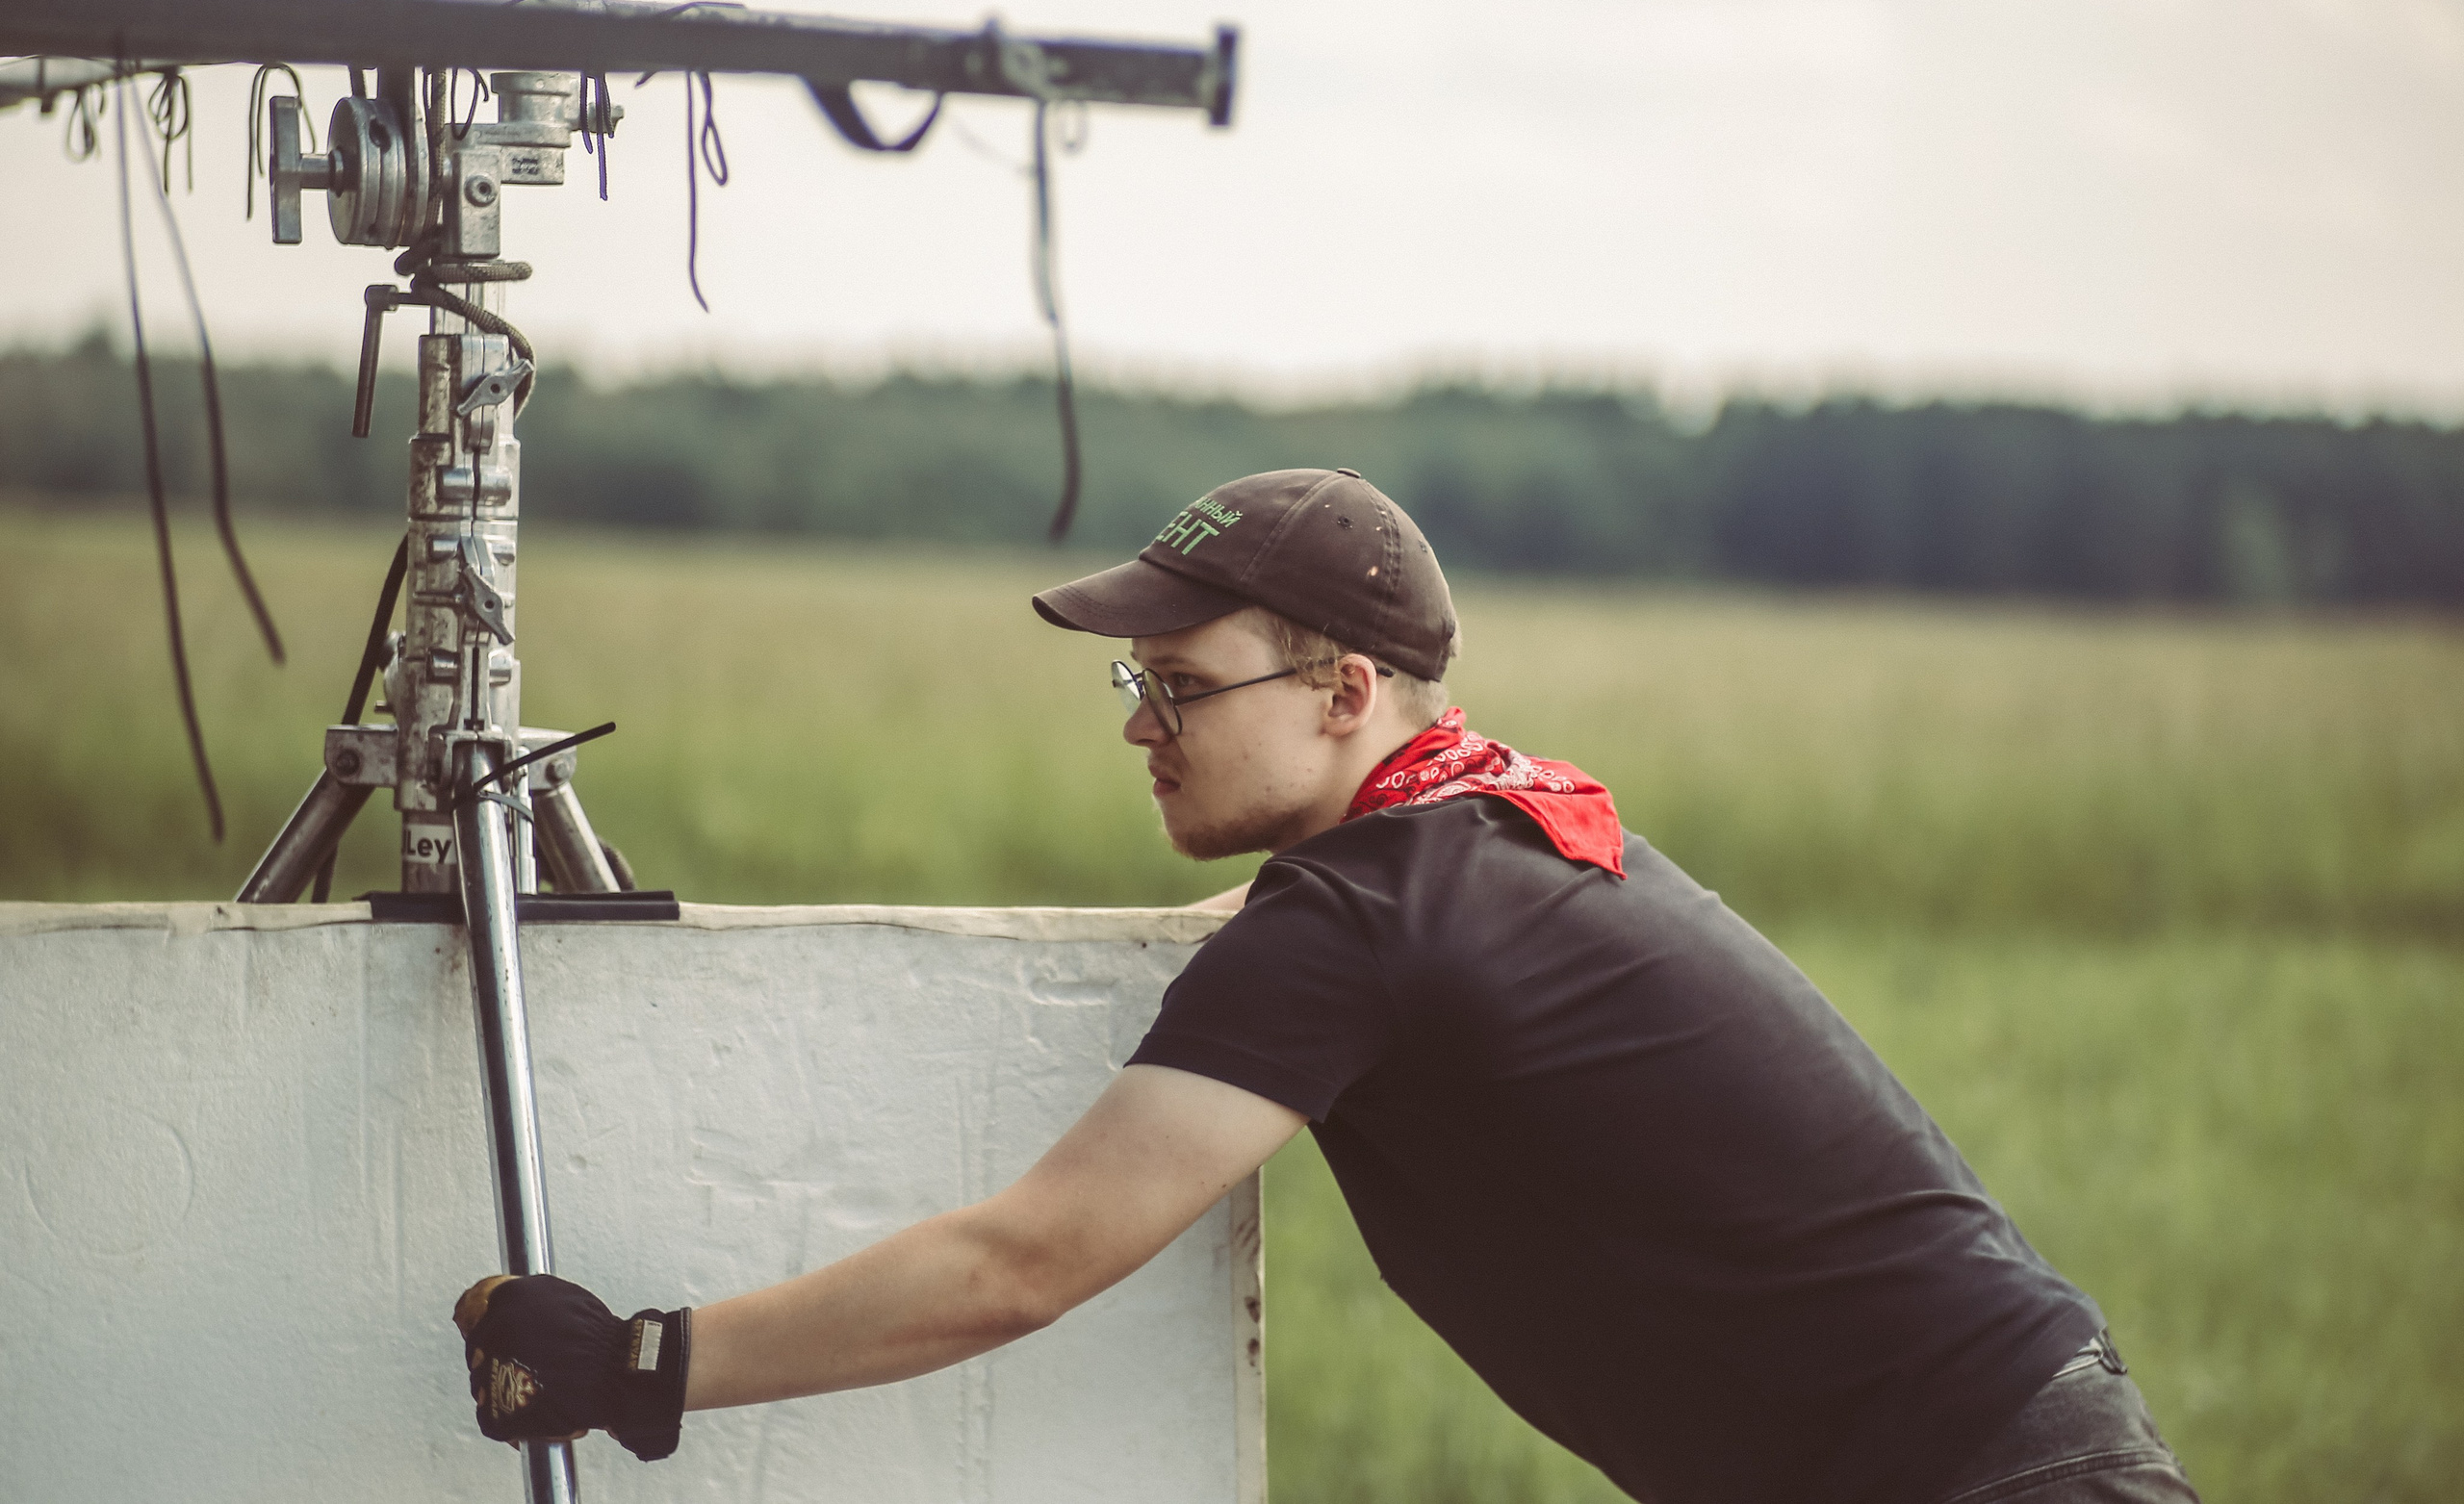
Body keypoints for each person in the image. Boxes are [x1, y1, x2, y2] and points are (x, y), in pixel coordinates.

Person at [453, 468, 2200, 1504]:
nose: (1141, 726)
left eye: (1182, 686)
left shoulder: (1362, 916)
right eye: (1130, 684)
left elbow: (1022, 1262)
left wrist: (645, 1364)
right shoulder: (1490, 828)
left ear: (1348, 688)